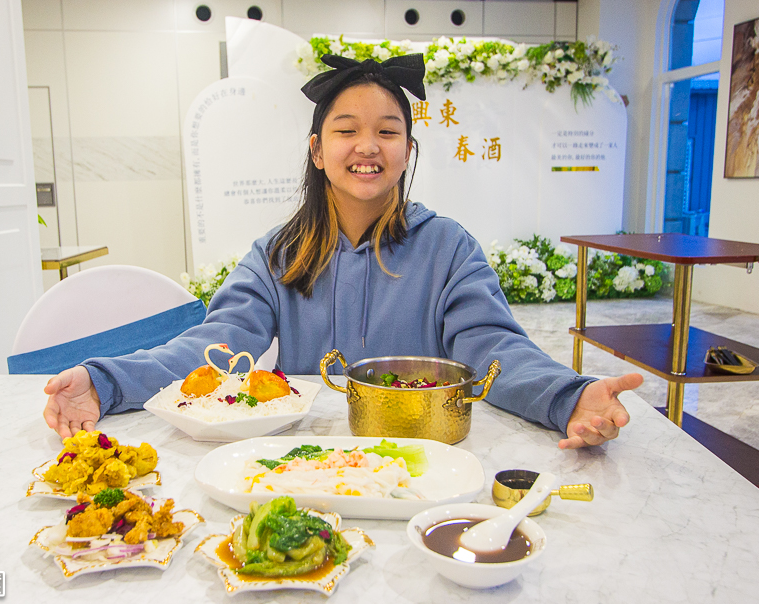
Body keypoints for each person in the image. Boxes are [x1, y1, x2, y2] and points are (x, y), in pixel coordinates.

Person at [43, 54, 642, 449]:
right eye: (346, 129)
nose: (367, 146)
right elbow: (213, 350)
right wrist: (106, 383)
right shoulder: (278, 254)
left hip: (421, 455)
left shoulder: (448, 248)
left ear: (408, 150)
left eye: (387, 131)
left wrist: (569, 396)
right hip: (309, 459)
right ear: (316, 149)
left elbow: (492, 346)